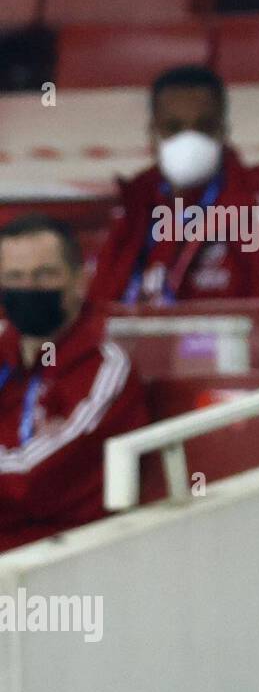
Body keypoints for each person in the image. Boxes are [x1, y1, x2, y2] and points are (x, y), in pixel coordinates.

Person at [89, 65, 259, 306]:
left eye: (204, 127)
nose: (188, 140)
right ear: (152, 134)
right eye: (173, 128)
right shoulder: (129, 214)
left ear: (224, 132)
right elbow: (96, 315)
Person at [0, 215, 149, 552]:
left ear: (79, 281)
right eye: (14, 278)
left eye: (44, 275)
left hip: (63, 556)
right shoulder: (4, 356)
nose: (29, 288)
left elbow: (30, 479)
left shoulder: (105, 368)